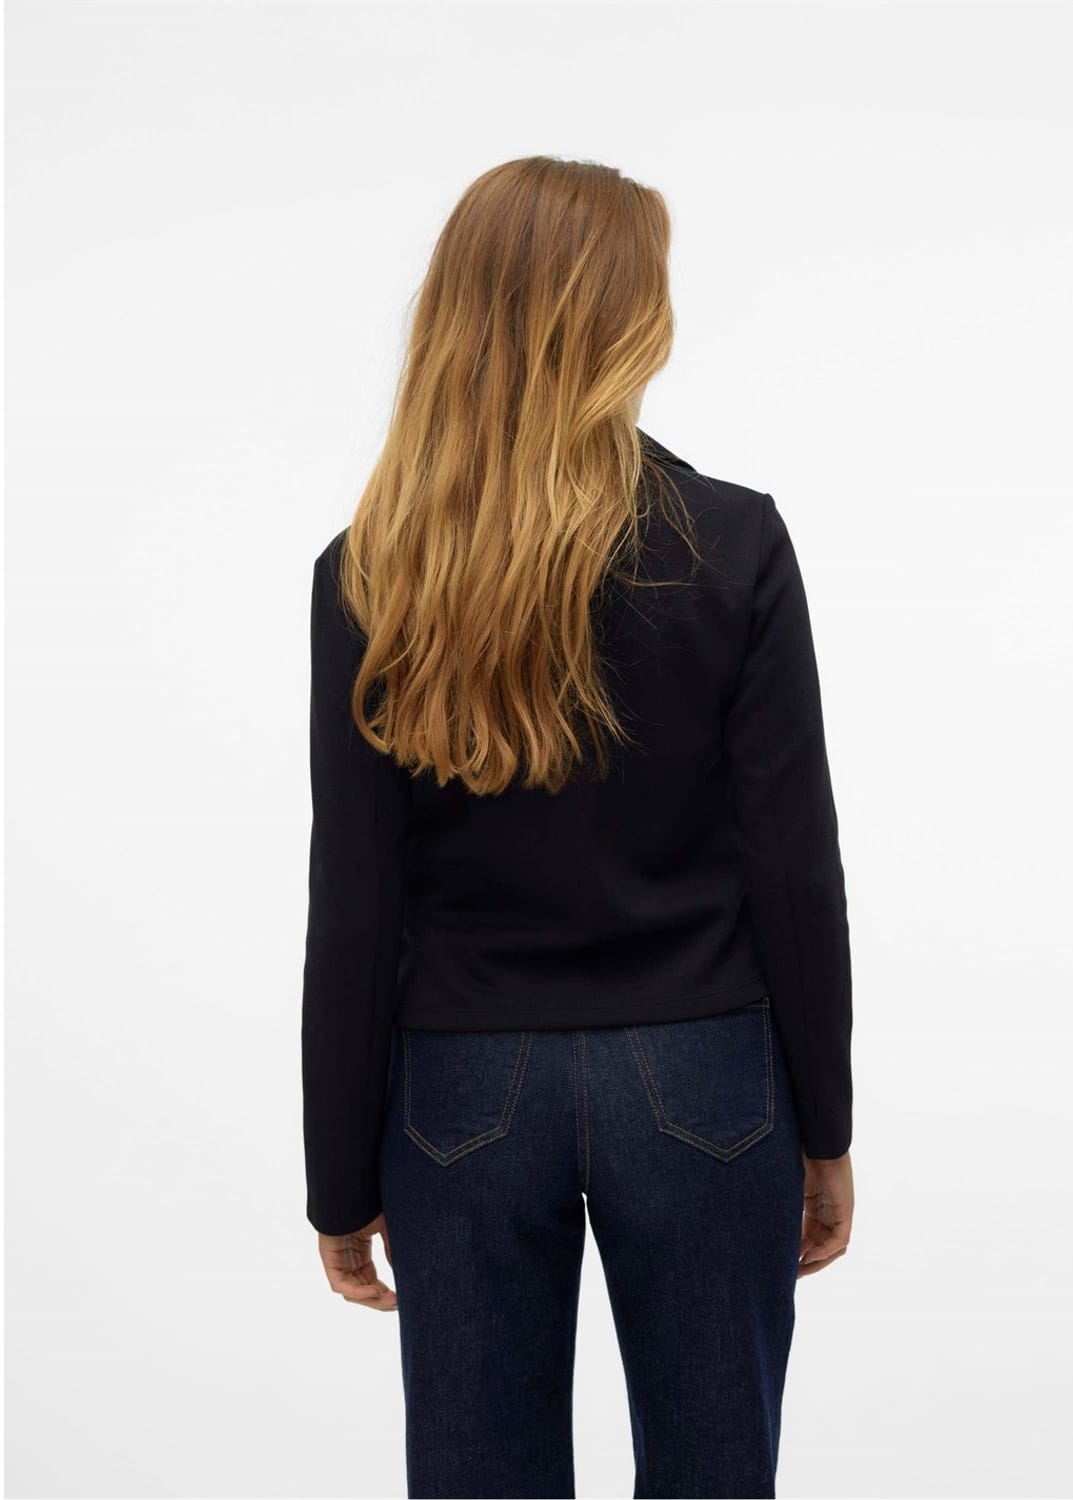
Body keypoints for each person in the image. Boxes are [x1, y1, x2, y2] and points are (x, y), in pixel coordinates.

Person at [300, 155, 853, 1500]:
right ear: (623, 320)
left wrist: (337, 1175)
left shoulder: (374, 569)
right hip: (708, 1077)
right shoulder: (734, 544)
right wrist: (825, 1126)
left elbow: (356, 903)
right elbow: (793, 867)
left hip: (460, 1093)